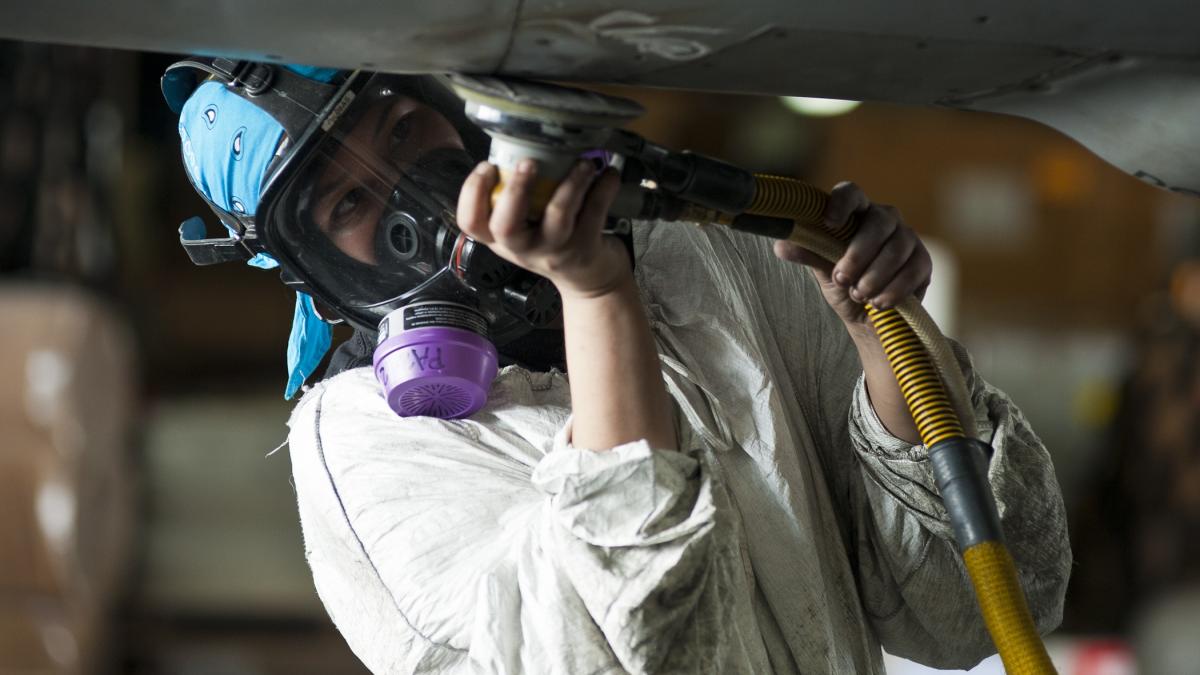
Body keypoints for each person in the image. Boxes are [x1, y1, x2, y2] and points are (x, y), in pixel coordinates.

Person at [162, 58, 1071, 673]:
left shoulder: (698, 256)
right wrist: (598, 297)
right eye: (351, 199)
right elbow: (642, 649)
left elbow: (960, 607)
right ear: (308, 272)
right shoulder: (361, 441)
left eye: (404, 131)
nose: (412, 192)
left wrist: (877, 320)